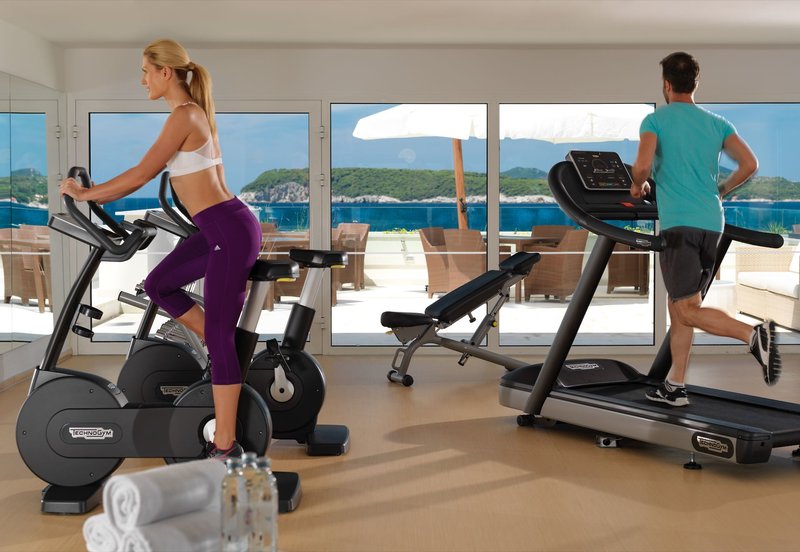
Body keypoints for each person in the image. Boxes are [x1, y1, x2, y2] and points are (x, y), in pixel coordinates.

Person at [59, 39, 260, 457]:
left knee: (219, 336)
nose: (142, 81)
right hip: (222, 227)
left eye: (146, 72)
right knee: (158, 284)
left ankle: (225, 445)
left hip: (227, 230)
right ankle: (222, 347)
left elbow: (141, 174)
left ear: (165, 72)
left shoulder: (185, 114)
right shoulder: (192, 113)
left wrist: (84, 193)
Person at [630, 51, 781, 407]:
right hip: (712, 222)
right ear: (695, 83)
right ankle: (675, 386)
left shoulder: (655, 120)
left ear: (666, 84)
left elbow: (643, 166)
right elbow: (750, 164)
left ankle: (754, 336)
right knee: (682, 306)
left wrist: (638, 185)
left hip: (679, 224)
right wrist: (721, 190)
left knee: (685, 309)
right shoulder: (717, 123)